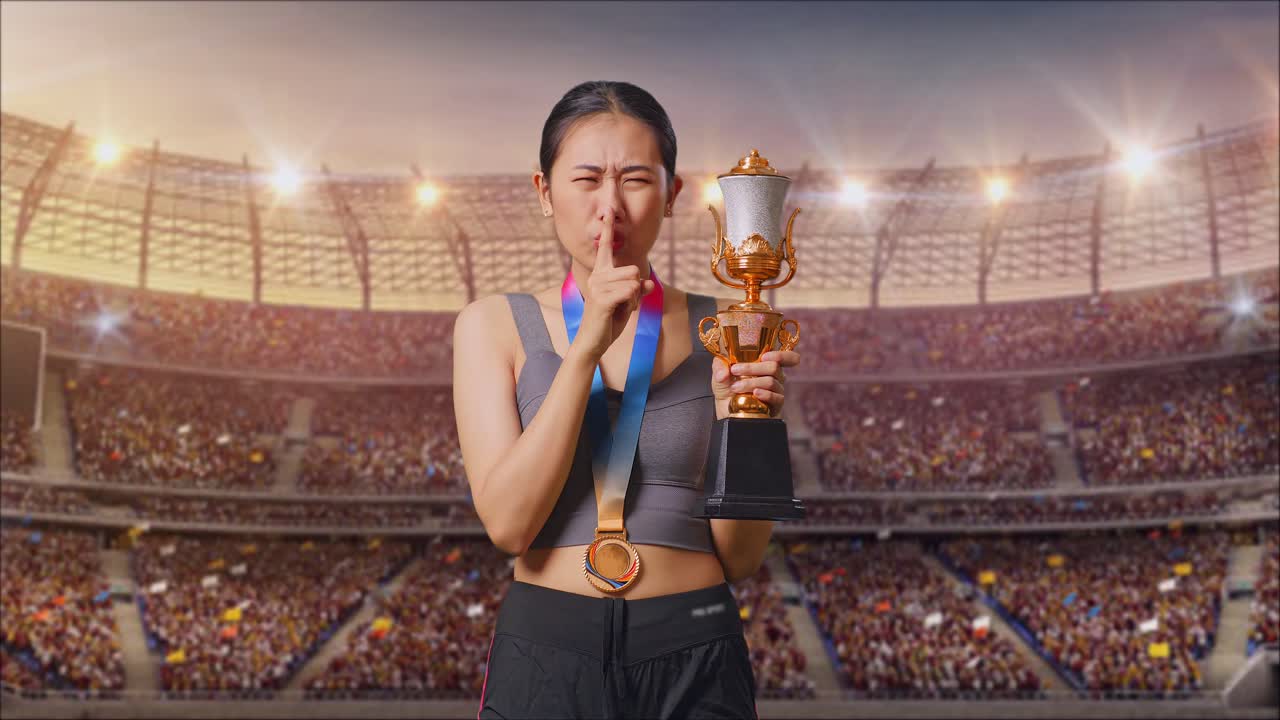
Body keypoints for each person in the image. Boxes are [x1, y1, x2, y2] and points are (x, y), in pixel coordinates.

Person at [453, 80, 801, 719]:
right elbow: (508, 526)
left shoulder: (732, 325)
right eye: (587, 178)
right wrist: (584, 347)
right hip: (547, 649)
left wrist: (745, 420)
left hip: (696, 642)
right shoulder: (492, 325)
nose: (609, 205)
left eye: (635, 179)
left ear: (671, 196)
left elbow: (743, 557)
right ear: (543, 191)